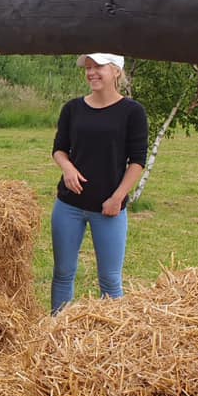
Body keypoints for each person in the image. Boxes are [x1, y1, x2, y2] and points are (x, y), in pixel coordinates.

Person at [50, 52, 148, 313]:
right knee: (62, 273)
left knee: (110, 279)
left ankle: (113, 340)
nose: (91, 72)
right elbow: (59, 149)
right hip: (68, 206)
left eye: (98, 67)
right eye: (88, 67)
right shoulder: (73, 108)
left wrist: (118, 198)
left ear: (116, 71)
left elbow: (137, 161)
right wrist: (67, 168)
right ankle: (57, 333)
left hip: (109, 208)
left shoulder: (132, 112)